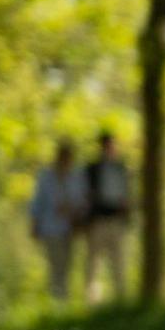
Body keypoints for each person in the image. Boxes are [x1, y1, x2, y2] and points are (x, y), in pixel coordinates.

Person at [78, 129, 135, 301]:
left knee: (119, 262)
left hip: (116, 220)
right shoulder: (91, 169)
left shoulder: (122, 169)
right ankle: (92, 301)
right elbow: (84, 195)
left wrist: (127, 214)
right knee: (93, 264)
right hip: (98, 222)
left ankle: (121, 298)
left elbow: (128, 194)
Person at [28, 140, 85, 302]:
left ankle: (63, 300)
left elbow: (82, 200)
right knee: (56, 265)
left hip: (70, 228)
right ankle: (57, 300)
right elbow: (37, 203)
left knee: (67, 266)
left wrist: (73, 211)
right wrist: (34, 225)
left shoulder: (76, 177)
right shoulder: (46, 177)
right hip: (51, 228)